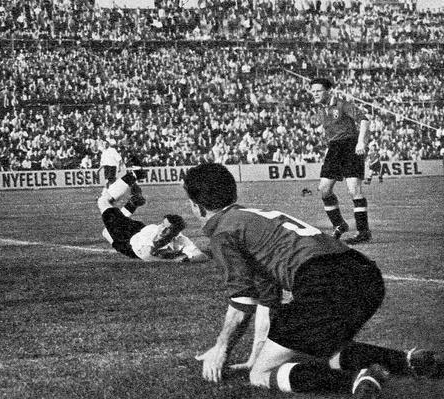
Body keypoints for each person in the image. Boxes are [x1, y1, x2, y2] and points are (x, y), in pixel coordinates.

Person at [185, 163, 442, 397]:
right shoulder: (253, 217)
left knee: (261, 376)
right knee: (323, 349)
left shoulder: (224, 231)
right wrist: (256, 355)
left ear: (197, 206)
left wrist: (221, 349)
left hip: (324, 282)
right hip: (365, 274)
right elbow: (267, 300)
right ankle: (409, 361)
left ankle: (356, 382)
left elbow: (242, 302)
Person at [309, 78, 372, 244]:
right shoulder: (321, 110)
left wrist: (361, 142)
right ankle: (340, 224)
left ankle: (363, 232)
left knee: (354, 190)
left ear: (328, 91)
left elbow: (364, 119)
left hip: (350, 145)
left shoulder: (342, 104)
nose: (314, 94)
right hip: (334, 149)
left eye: (318, 91)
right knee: (324, 190)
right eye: (313, 91)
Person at [97, 173, 208, 262]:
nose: (162, 229)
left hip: (130, 239)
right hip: (131, 234)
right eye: (162, 225)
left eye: (167, 229)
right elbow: (147, 256)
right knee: (103, 201)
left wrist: (187, 259)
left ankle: (131, 205)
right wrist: (174, 260)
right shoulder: (153, 234)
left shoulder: (180, 240)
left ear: (175, 233)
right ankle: (132, 176)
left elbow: (202, 256)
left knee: (106, 232)